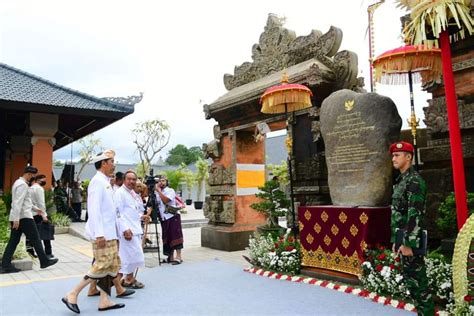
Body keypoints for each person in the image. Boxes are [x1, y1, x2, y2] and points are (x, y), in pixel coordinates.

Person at [61, 150, 132, 314]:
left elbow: (112, 212)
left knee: (111, 266)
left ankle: (104, 300)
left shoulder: (106, 182)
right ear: (104, 163)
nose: (114, 164)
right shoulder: (97, 182)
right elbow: (94, 210)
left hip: (110, 233)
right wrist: (99, 233)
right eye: (112, 161)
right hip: (103, 234)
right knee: (101, 266)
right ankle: (72, 294)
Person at [390, 141, 434, 316]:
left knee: (419, 285)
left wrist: (408, 244)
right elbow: (398, 215)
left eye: (397, 155)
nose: (393, 158)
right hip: (404, 238)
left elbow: (414, 215)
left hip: (412, 241)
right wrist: (397, 241)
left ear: (408, 157)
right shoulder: (401, 181)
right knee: (412, 284)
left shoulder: (414, 181)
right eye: (393, 155)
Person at [1, 166, 58, 274]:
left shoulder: (17, 183)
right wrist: (17, 219)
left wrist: (36, 209)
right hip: (24, 217)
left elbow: (24, 202)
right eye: (32, 175)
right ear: (28, 174)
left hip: (19, 217)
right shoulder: (22, 185)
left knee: (13, 241)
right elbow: (18, 203)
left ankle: (6, 264)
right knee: (35, 238)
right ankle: (44, 261)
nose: (32, 178)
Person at [115, 170, 149, 288]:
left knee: (134, 256)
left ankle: (129, 278)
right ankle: (117, 283)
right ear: (124, 180)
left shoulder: (132, 193)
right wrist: (125, 229)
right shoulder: (120, 193)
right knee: (127, 257)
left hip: (135, 228)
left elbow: (132, 211)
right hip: (127, 230)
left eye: (134, 179)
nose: (132, 181)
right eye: (129, 179)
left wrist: (141, 216)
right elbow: (118, 213)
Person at [154, 175, 183, 264]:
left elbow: (166, 200)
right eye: (160, 181)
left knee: (176, 236)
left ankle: (178, 257)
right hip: (164, 218)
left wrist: (158, 191)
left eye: (163, 180)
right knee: (167, 238)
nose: (161, 182)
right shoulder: (156, 193)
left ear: (167, 182)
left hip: (172, 216)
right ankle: (170, 257)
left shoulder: (170, 191)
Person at [26, 174, 55, 259]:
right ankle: (48, 252)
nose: (44, 181)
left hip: (30, 214)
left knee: (30, 234)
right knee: (46, 233)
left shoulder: (30, 188)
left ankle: (30, 252)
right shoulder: (39, 189)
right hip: (38, 214)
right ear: (38, 180)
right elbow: (41, 203)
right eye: (43, 179)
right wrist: (44, 215)